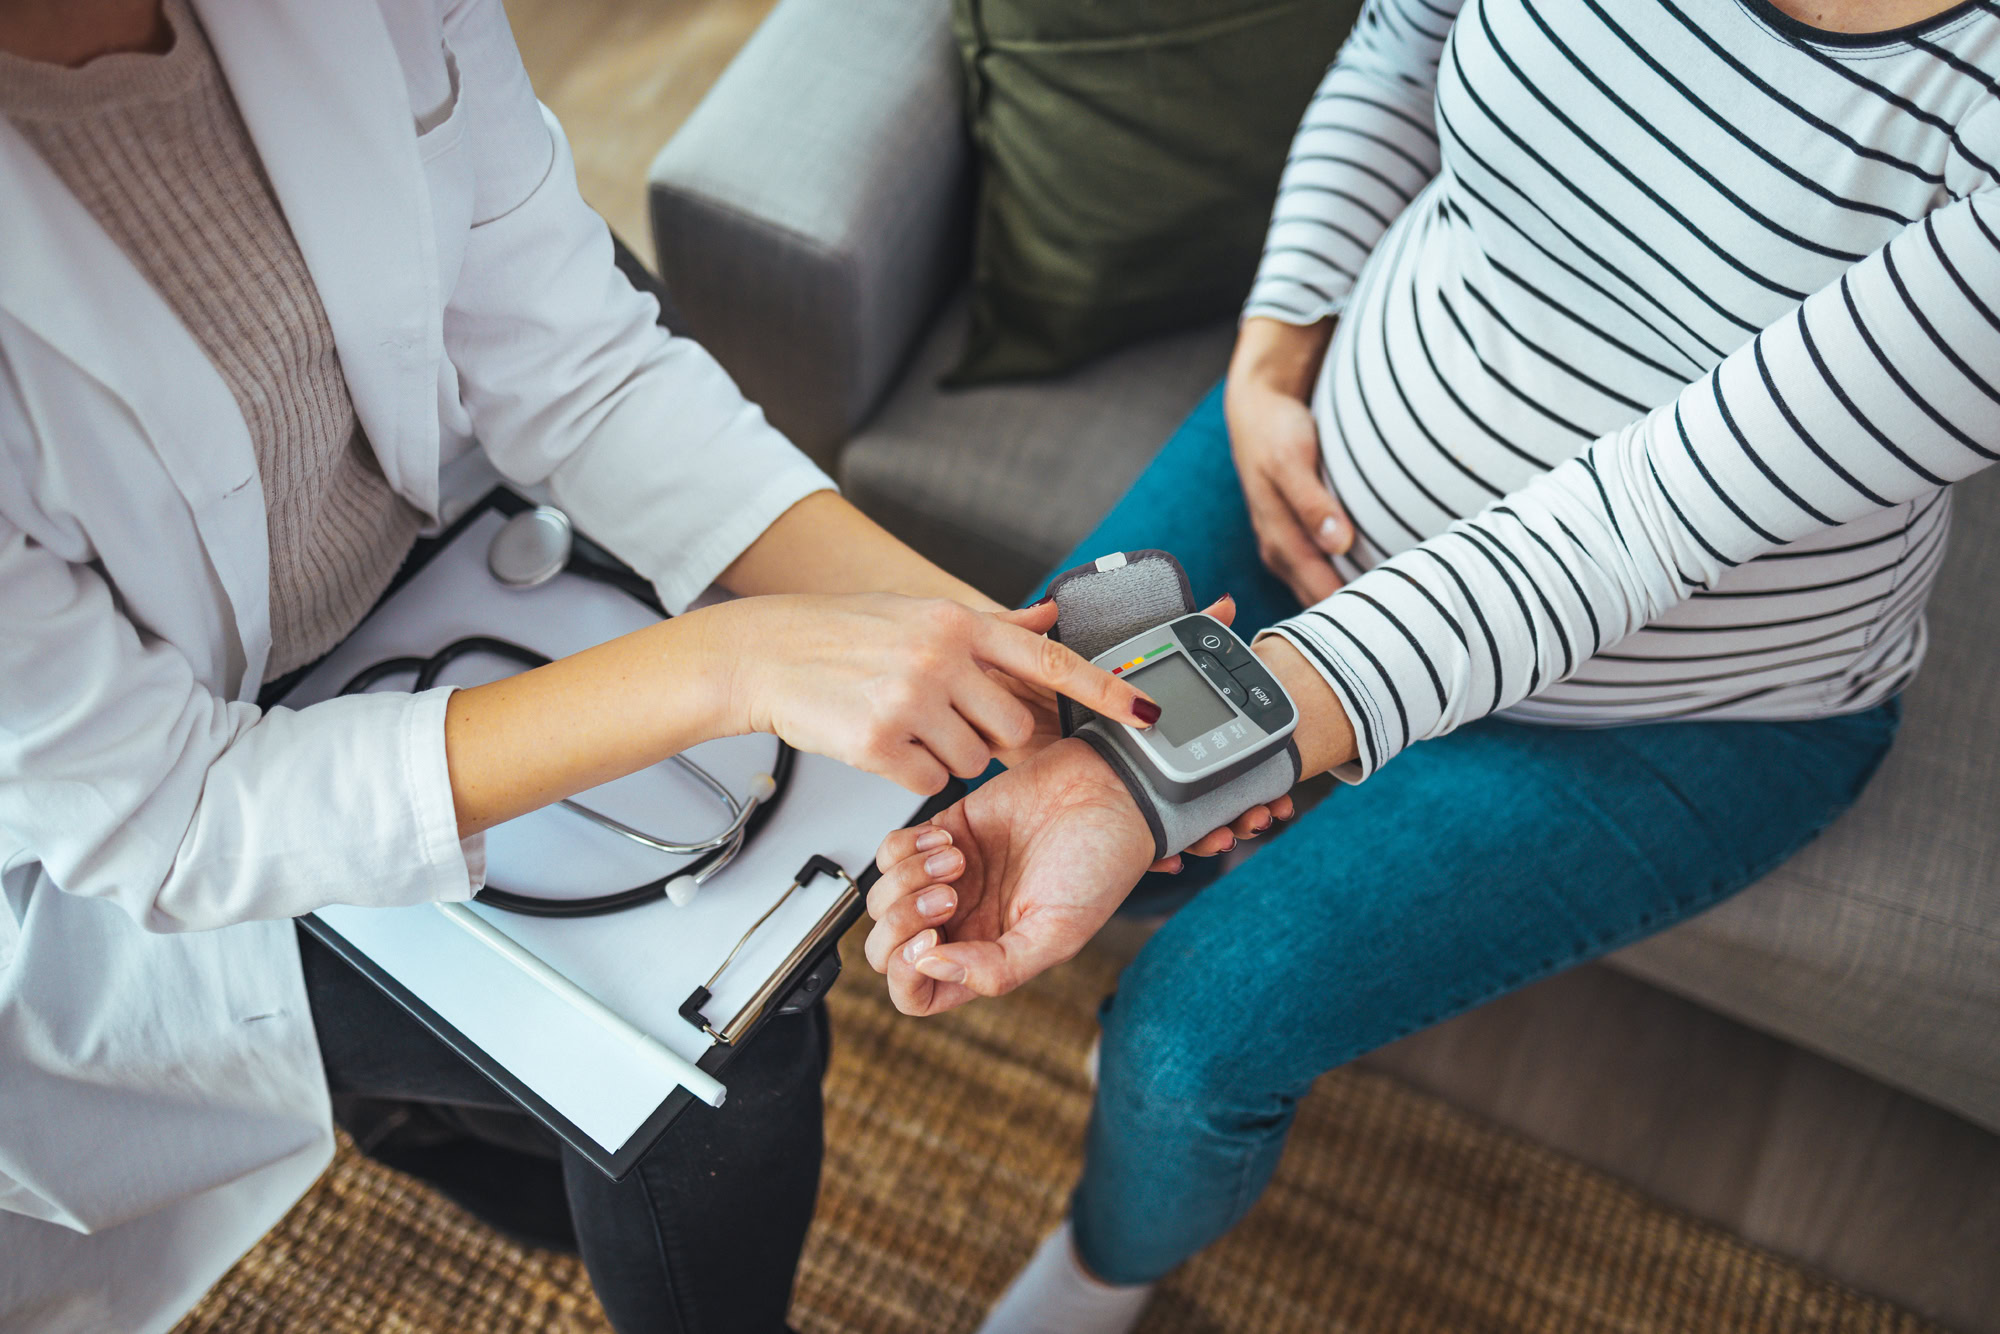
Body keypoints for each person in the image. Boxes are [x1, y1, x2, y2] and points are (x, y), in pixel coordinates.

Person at [0, 2, 1273, 1331]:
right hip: (162, 815)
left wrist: (1010, 661)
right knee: (724, 1043)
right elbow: (175, 812)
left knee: (771, 926)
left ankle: (440, 1118)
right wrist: (725, 663)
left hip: (465, 511)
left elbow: (583, 363)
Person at [865, 1, 1999, 1330]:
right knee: (995, 743)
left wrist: (1201, 759)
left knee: (1188, 1039)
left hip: (1671, 707)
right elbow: (1404, 39)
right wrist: (1272, 348)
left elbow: (1635, 525)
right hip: (1316, 485)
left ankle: (1097, 1277)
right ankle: (1234, 841)